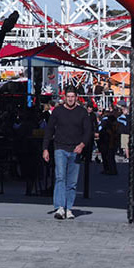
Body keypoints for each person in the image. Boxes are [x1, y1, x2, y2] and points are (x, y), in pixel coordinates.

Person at [41, 87, 93, 220]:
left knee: (72, 181)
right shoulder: (57, 111)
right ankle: (59, 207)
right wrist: (45, 148)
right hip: (60, 148)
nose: (70, 99)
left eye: (72, 96)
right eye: (68, 96)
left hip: (76, 149)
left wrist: (82, 145)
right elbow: (49, 130)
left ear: (76, 97)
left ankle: (68, 208)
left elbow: (88, 132)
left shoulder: (82, 113)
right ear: (64, 97)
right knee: (60, 177)